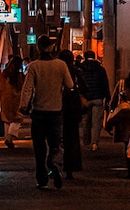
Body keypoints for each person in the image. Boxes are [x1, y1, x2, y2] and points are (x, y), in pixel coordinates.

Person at [19, 37, 73, 190]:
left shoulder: (33, 66)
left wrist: (23, 105)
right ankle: (54, 164)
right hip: (56, 111)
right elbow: (70, 84)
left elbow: (27, 88)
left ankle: (42, 178)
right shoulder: (61, 65)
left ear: (38, 48)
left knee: (39, 146)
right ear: (52, 47)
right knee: (55, 144)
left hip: (39, 112)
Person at [58, 49, 85, 178]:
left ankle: (56, 165)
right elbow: (85, 87)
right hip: (74, 106)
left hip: (58, 105)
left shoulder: (57, 70)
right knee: (73, 137)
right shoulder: (76, 71)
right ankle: (72, 167)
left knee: (57, 136)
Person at [78, 50, 111, 150]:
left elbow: (79, 84)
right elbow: (105, 84)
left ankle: (86, 142)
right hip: (98, 98)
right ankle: (94, 143)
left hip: (85, 99)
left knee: (86, 121)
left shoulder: (81, 69)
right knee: (96, 122)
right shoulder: (100, 69)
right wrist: (107, 96)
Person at [0, 55, 25, 148]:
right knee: (17, 119)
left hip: (5, 99)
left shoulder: (4, 74)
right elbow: (23, 88)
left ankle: (9, 140)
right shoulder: (19, 76)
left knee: (7, 120)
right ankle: (9, 137)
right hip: (17, 100)